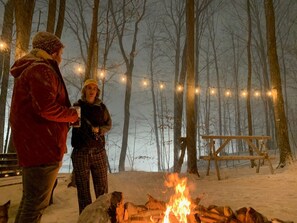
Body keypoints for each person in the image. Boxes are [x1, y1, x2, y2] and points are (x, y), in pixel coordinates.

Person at [9, 31, 79, 223]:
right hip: (42, 147)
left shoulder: (32, 68)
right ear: (52, 51)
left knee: (31, 202)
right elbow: (45, 107)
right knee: (35, 205)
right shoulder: (41, 69)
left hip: (36, 145)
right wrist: (72, 115)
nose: (61, 58)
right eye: (60, 53)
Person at [71, 79, 112, 214]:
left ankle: (102, 218)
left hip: (98, 152)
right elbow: (68, 125)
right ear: (84, 90)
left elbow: (108, 125)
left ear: (97, 91)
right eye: (89, 88)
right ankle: (85, 219)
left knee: (102, 192)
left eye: (94, 88)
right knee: (83, 192)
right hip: (80, 153)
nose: (92, 91)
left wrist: (99, 130)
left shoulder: (102, 108)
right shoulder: (77, 107)